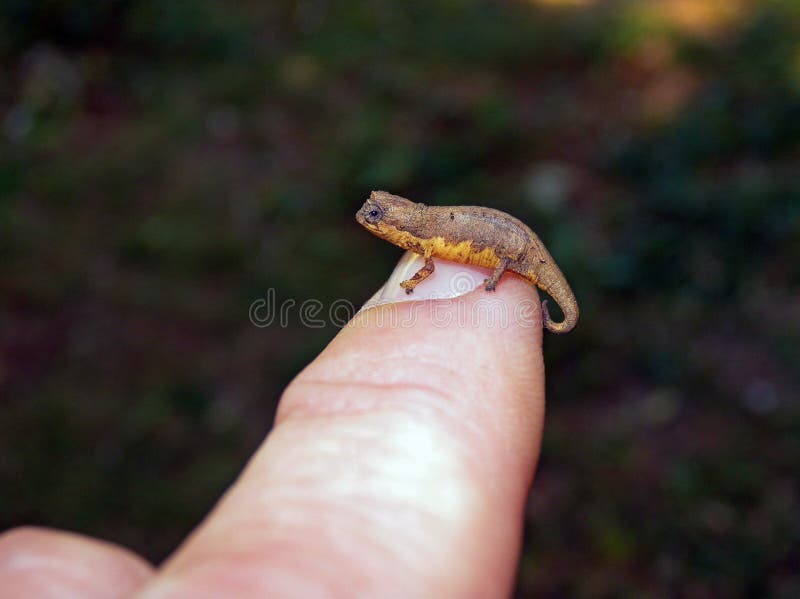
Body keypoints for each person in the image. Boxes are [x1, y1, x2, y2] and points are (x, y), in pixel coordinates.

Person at [0, 254, 548, 598]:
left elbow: (435, 260)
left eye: (382, 220)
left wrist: (422, 287)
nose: (372, 223)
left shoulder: (428, 239)